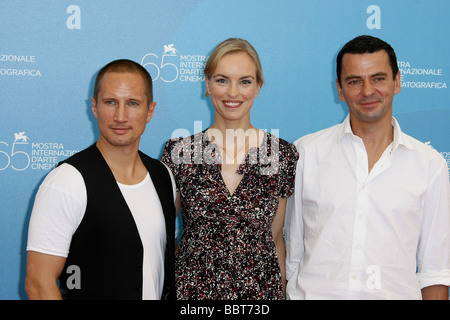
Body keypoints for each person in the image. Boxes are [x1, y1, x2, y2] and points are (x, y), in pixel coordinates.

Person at [285, 35, 450, 300]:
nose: (367, 91)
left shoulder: (430, 165)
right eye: (354, 81)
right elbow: (291, 255)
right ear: (340, 89)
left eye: (378, 78)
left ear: (397, 82)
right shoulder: (305, 153)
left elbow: (435, 274)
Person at [25, 59, 176, 300]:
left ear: (150, 111)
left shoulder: (163, 175)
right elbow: (38, 284)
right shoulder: (66, 181)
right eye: (110, 102)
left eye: (133, 103)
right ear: (94, 107)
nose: (120, 116)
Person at [161, 38, 298, 299]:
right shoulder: (180, 152)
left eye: (244, 81)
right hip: (194, 296)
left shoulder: (281, 155)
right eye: (222, 80)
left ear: (258, 87)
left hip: (260, 296)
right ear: (207, 85)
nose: (233, 93)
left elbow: (276, 238)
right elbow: (163, 235)